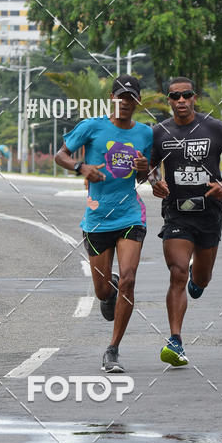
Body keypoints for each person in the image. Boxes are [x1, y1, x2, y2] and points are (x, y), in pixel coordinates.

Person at [55, 75, 152, 373]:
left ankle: (113, 350)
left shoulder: (146, 134)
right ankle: (106, 288)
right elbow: (60, 155)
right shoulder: (92, 127)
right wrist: (80, 167)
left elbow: (142, 177)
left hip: (130, 216)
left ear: (137, 102)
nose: (125, 102)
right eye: (121, 97)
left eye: (131, 98)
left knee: (129, 279)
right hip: (97, 219)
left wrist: (144, 169)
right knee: (102, 292)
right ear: (112, 98)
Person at [149, 77, 222, 366]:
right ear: (168, 100)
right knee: (177, 272)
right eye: (174, 96)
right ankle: (175, 341)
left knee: (200, 279)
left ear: (195, 98)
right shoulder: (160, 132)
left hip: (209, 213)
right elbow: (151, 168)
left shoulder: (214, 127)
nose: (181, 101)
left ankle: (198, 276)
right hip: (177, 212)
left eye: (186, 95)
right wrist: (155, 183)